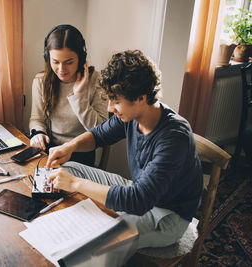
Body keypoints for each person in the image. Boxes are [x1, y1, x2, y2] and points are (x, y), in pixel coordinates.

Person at [46, 50, 203, 250]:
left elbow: (138, 200)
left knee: (96, 240)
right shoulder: (131, 117)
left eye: (116, 101)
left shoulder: (174, 137)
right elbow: (98, 135)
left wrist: (76, 184)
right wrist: (70, 146)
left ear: (141, 98)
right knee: (67, 168)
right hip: (137, 189)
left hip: (167, 216)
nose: (110, 108)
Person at [29, 24, 108, 166]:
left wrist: (79, 97)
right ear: (47, 58)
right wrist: (38, 133)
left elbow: (102, 130)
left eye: (69, 62)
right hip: (51, 149)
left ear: (81, 58)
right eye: (55, 62)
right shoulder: (40, 81)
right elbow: (37, 119)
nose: (61, 70)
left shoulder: (96, 81)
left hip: (82, 152)